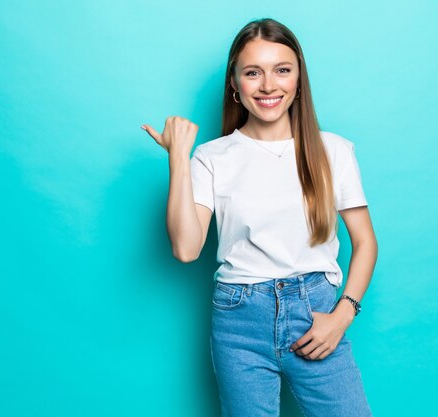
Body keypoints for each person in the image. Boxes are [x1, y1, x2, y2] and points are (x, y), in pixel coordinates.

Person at [141, 17, 377, 417]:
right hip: (239, 322)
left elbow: (365, 242)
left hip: (314, 312)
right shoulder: (212, 158)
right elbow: (185, 248)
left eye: (282, 70)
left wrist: (343, 314)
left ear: (299, 79)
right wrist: (178, 158)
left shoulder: (332, 150)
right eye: (253, 73)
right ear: (235, 83)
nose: (269, 85)